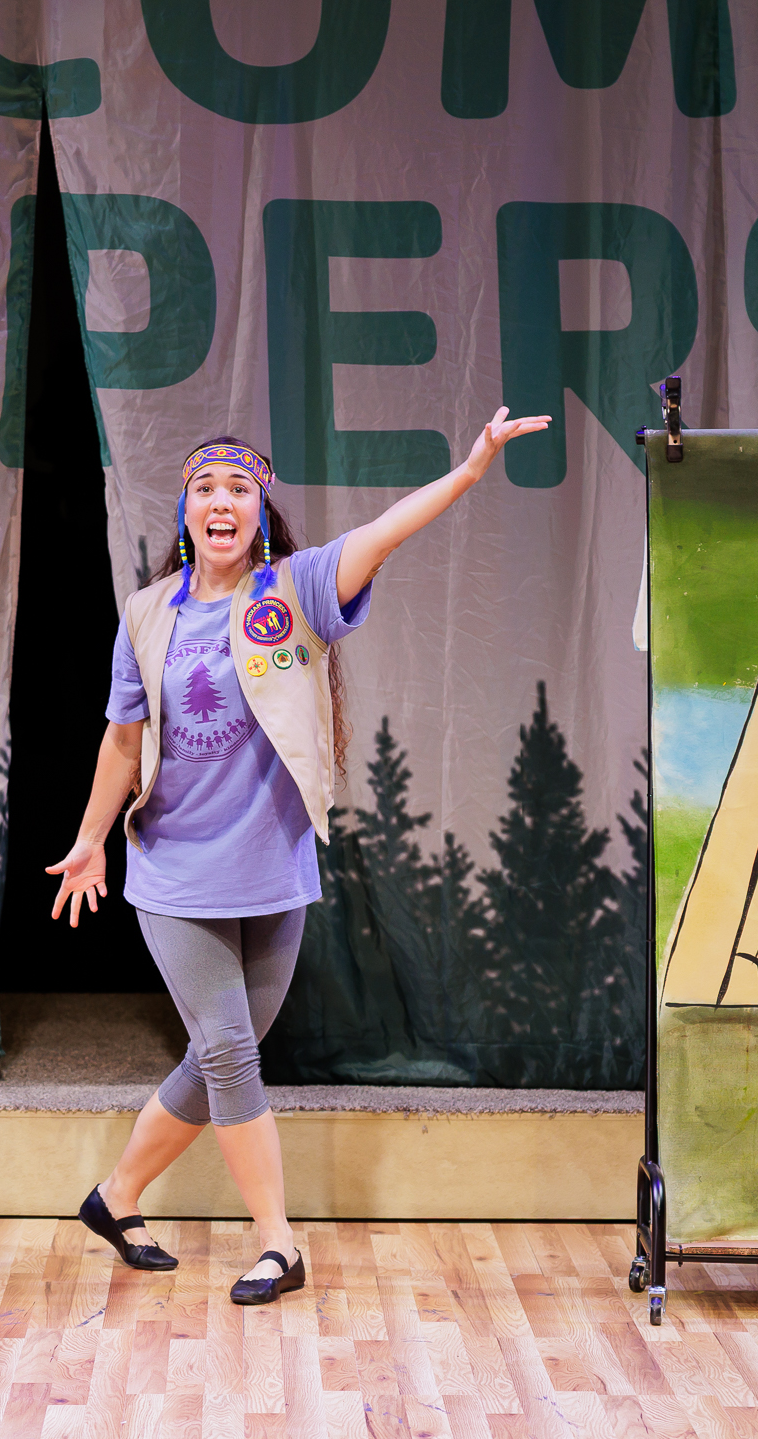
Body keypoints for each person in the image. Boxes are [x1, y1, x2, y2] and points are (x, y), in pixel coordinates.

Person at [47, 412, 548, 1304]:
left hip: (273, 867)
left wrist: (469, 472)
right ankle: (279, 1242)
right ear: (186, 514)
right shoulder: (148, 613)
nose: (222, 502)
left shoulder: (298, 591)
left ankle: (115, 1196)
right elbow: (123, 739)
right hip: (174, 869)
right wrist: (90, 839)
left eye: (240, 488)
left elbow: (387, 530)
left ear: (262, 509)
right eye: (205, 489)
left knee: (218, 1059)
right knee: (233, 1055)